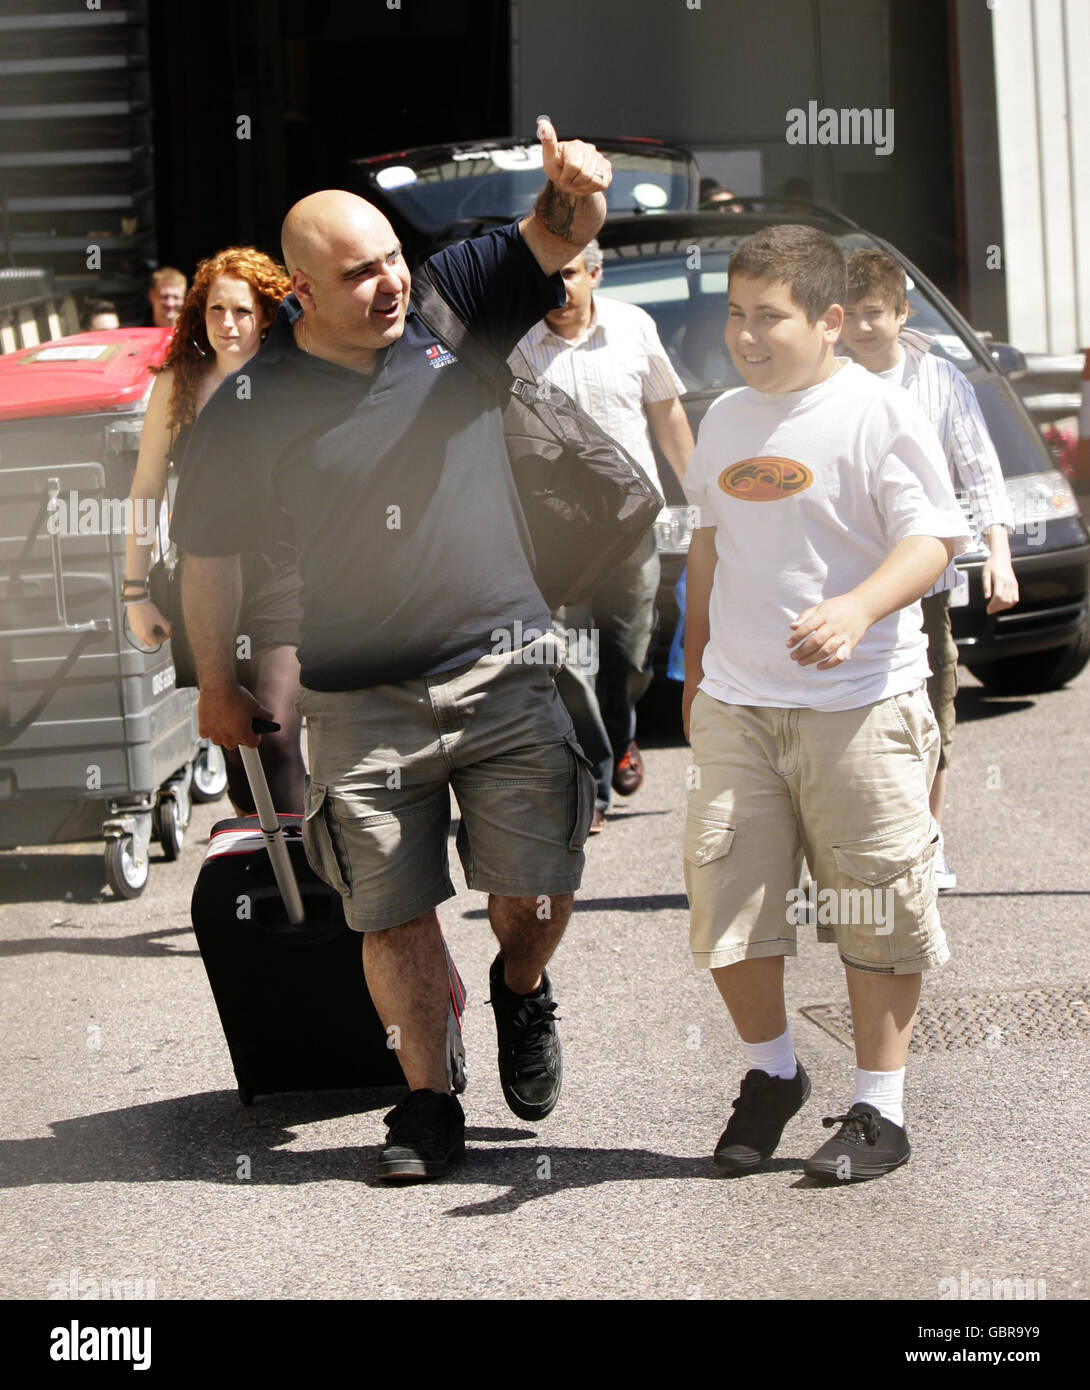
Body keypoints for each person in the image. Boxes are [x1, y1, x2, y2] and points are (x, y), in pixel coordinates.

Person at [168, 120, 612, 1183]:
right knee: (390, 907)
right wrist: (216, 686)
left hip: (504, 666)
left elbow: (561, 233)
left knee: (535, 896)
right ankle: (425, 1103)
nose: (387, 285)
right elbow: (211, 554)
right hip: (357, 695)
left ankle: (517, 987)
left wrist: (576, 189)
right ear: (299, 296)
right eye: (358, 274)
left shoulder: (454, 304)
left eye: (390, 262)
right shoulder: (248, 406)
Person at [682, 225, 970, 1181]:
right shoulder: (721, 419)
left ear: (831, 321)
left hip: (862, 702)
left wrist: (855, 605)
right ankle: (773, 1075)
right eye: (735, 313)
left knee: (874, 906)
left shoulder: (877, 412)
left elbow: (931, 539)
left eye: (770, 317)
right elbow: (708, 547)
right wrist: (694, 670)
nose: (747, 335)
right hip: (737, 705)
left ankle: (879, 1111)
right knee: (728, 906)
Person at [841, 249, 1018, 889]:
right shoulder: (825, 380)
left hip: (928, 581)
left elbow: (980, 469)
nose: (862, 328)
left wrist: (999, 554)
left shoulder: (941, 379)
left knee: (934, 706)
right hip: (847, 579)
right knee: (850, 710)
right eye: (851, 314)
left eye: (875, 314)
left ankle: (928, 841)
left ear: (902, 312)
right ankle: (850, 848)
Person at [518, 239, 694, 827]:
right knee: (566, 659)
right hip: (554, 532)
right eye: (545, 277)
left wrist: (705, 495)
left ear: (595, 273)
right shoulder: (515, 342)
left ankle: (620, 737)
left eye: (568, 275)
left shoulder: (633, 326)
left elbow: (666, 411)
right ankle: (590, 779)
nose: (557, 289)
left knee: (628, 653)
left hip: (632, 526)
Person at [123, 247, 305, 814]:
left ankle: (307, 884)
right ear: (199, 316)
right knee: (234, 752)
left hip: (282, 575)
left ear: (268, 315)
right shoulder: (177, 387)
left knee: (272, 734)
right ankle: (264, 880)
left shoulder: (293, 378)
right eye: (216, 310)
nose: (228, 324)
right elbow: (144, 491)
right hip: (202, 582)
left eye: (243, 311)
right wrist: (135, 592)